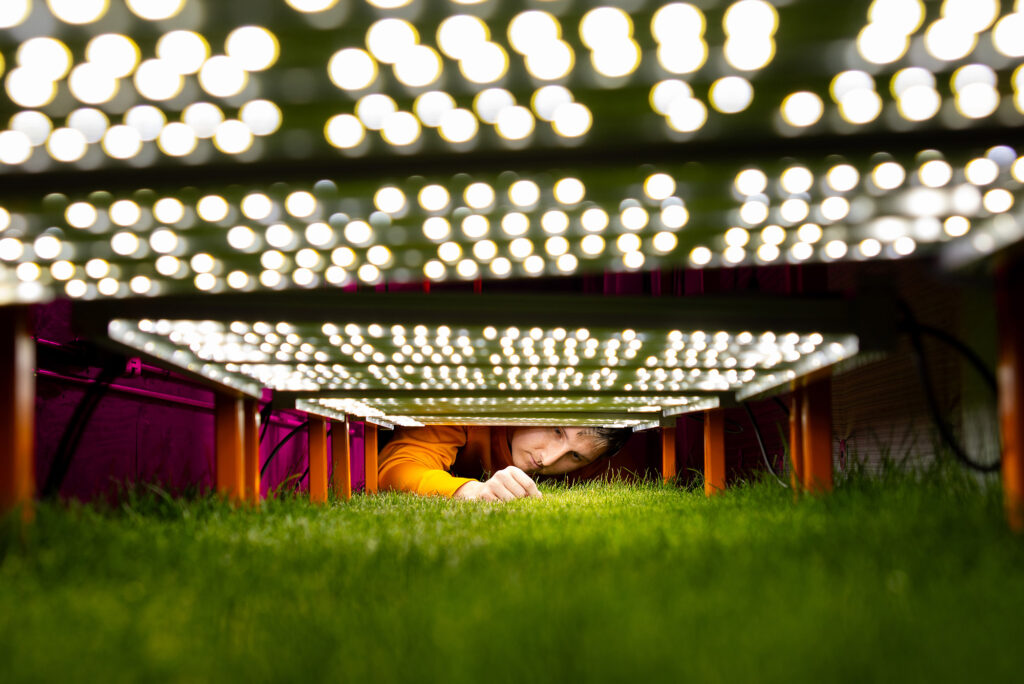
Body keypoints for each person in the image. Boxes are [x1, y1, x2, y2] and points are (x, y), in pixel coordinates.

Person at [378, 425, 632, 501]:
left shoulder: (596, 465)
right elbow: (395, 468)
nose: (549, 459)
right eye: (556, 431)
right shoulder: (466, 405)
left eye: (575, 456)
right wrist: (472, 491)